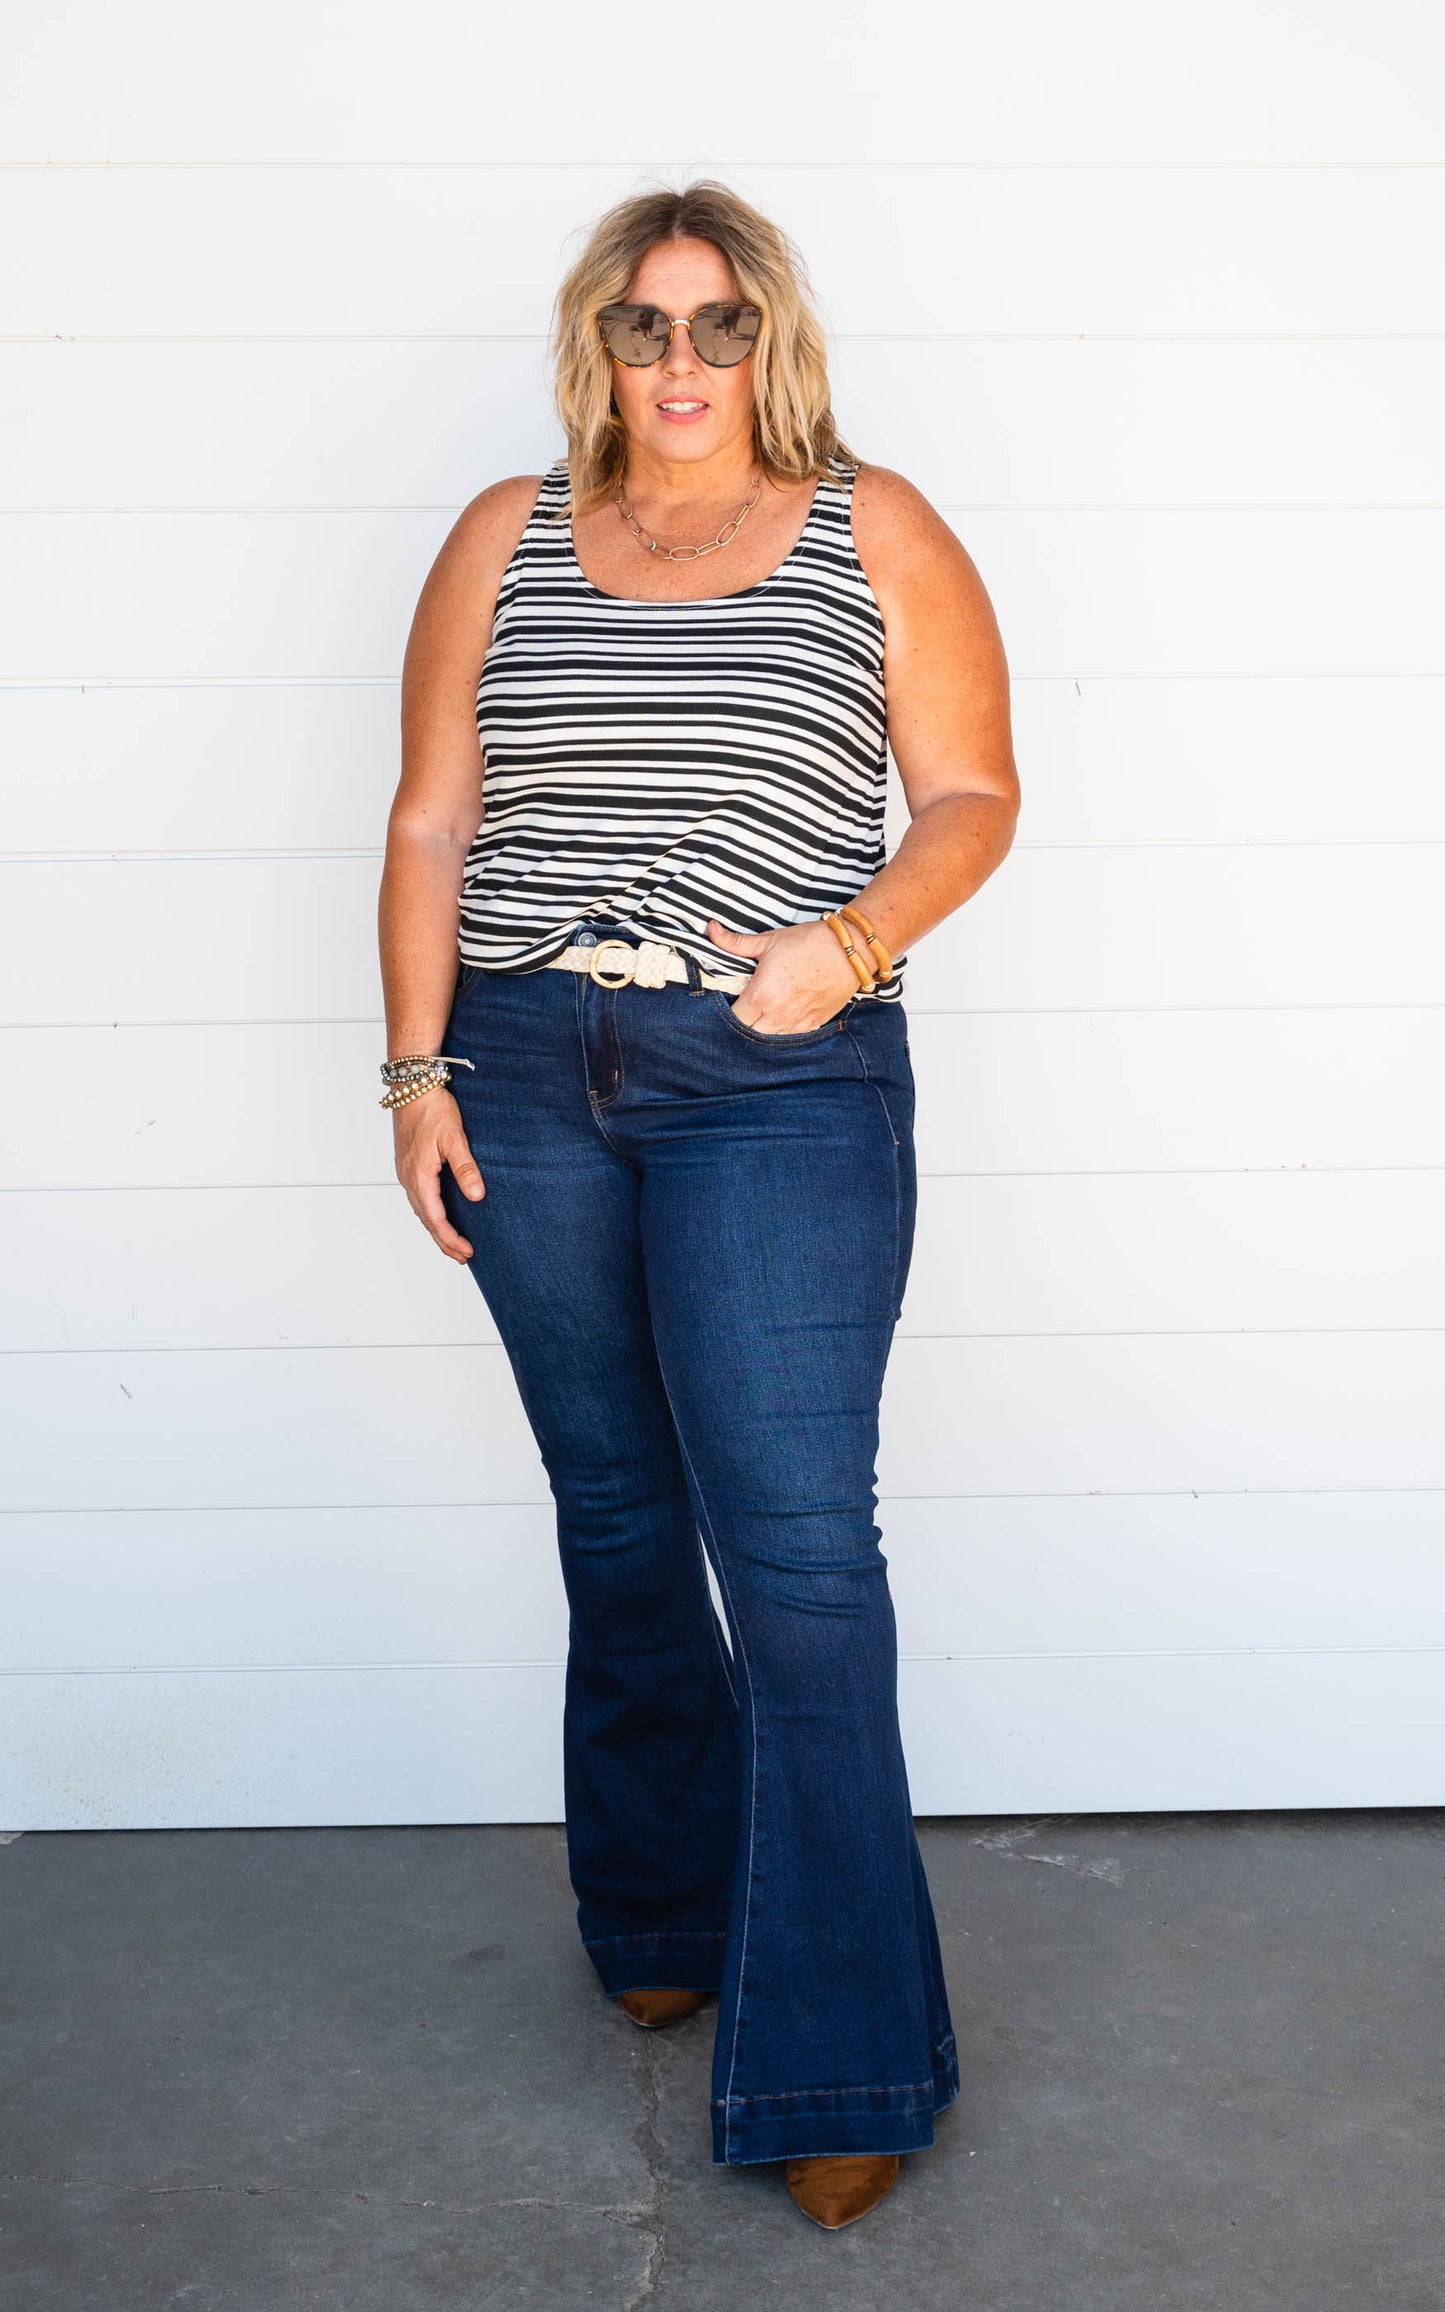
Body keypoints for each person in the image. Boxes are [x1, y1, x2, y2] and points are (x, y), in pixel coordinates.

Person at [377, 178, 1019, 2231]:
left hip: (775, 1073)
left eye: (717, 325)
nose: (679, 365)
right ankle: (656, 1894)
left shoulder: (871, 525)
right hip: (526, 1067)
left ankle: (841, 2049)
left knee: (804, 1556)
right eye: (645, 326)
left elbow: (976, 795)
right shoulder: (506, 534)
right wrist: (412, 1068)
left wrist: (847, 945)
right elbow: (431, 811)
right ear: (598, 342)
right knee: (621, 1516)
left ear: (773, 341)